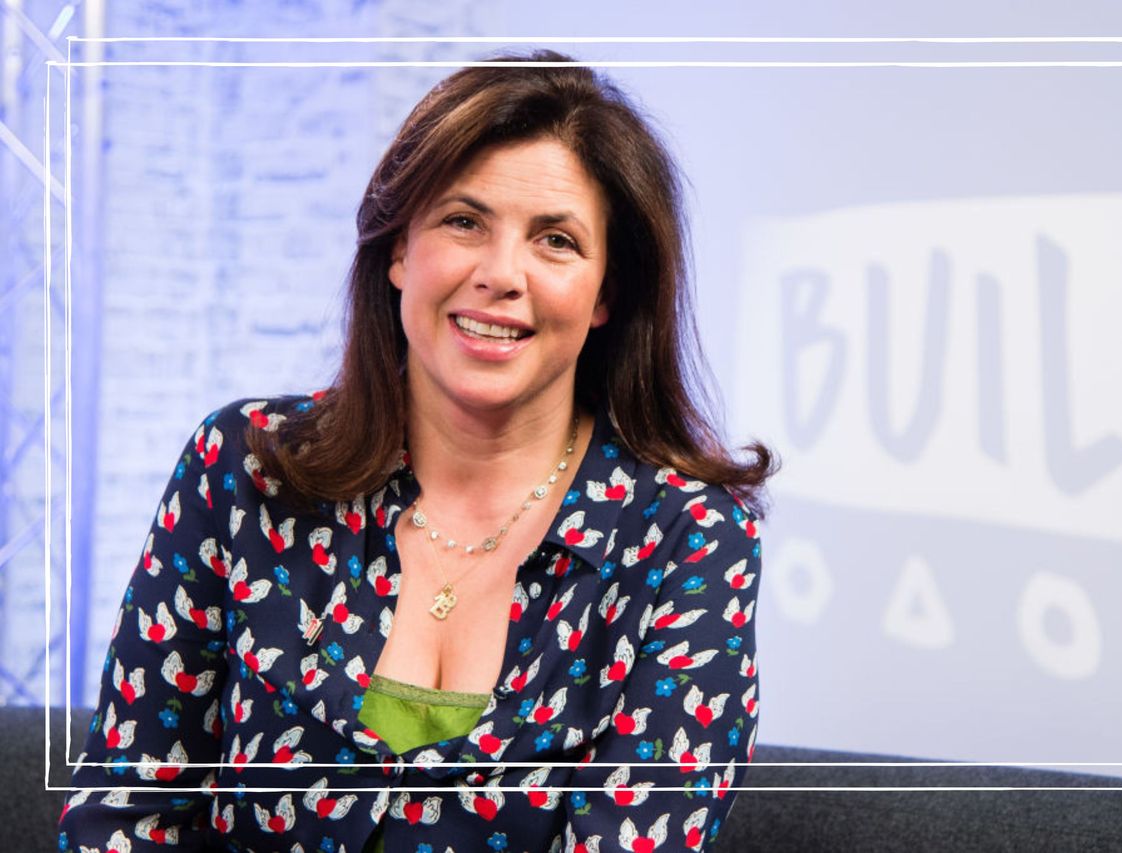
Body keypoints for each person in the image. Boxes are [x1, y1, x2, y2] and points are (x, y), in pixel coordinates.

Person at [59, 50, 774, 852]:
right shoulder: (245, 467)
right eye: (464, 221)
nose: (502, 275)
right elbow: (122, 819)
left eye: (556, 241)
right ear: (399, 250)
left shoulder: (688, 539)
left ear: (607, 292)